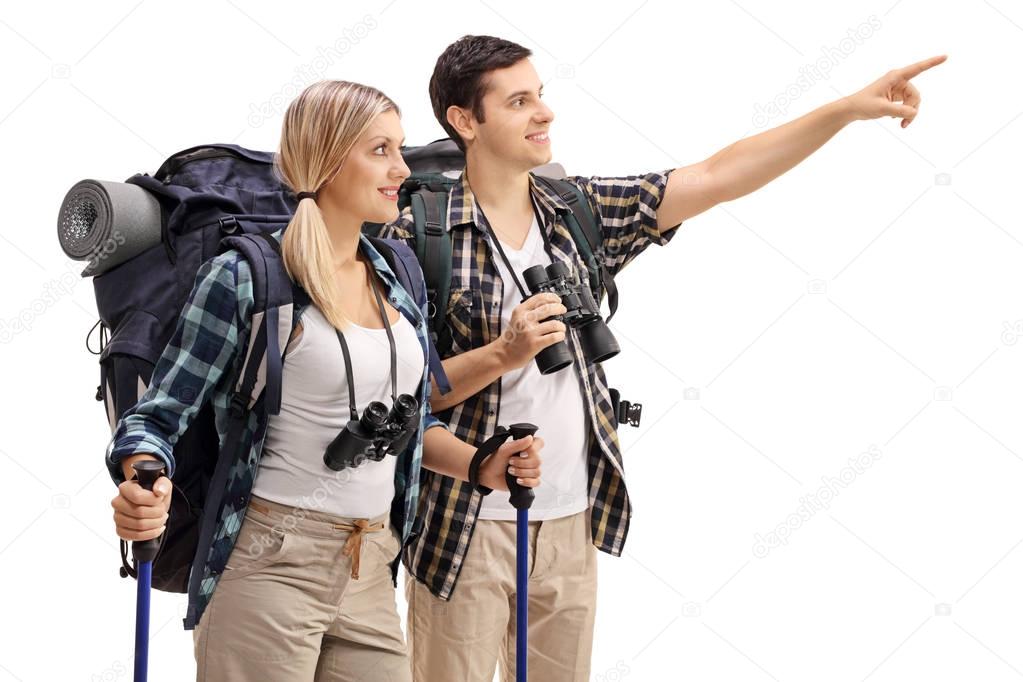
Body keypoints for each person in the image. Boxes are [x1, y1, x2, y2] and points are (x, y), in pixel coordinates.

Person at [379, 34, 946, 681]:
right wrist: (503, 353)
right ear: (464, 121)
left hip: (569, 521)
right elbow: (402, 397)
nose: (544, 113)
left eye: (541, 96)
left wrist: (845, 109)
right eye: (518, 101)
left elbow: (714, 176)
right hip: (461, 526)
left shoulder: (575, 213)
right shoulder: (416, 235)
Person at [105, 79, 544, 681]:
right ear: (330, 161)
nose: (401, 170)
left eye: (401, 149)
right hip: (269, 565)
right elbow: (155, 418)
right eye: (381, 150)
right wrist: (141, 485)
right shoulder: (245, 278)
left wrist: (478, 466)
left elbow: (409, 417)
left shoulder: (397, 272)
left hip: (370, 563)